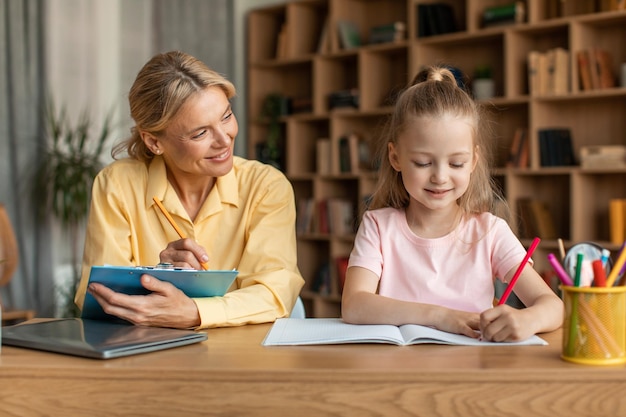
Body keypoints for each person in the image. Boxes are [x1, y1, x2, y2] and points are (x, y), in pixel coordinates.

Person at [75, 51, 304, 329]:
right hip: (148, 354)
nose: (224, 139)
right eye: (200, 133)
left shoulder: (266, 186)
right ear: (154, 142)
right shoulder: (117, 185)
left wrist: (194, 312)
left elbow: (275, 293)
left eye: (226, 116)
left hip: (242, 353)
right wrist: (158, 275)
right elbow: (102, 296)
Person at [341, 66, 563, 342]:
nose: (440, 177)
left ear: (473, 161)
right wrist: (441, 316)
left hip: (470, 372)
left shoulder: (490, 231)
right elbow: (353, 305)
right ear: (395, 157)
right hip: (397, 371)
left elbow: (554, 306)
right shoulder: (378, 226)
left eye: (456, 163)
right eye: (423, 163)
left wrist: (527, 319)